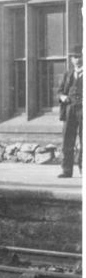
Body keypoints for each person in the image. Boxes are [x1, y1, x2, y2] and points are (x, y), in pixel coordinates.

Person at [58, 45, 83, 178]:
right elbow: (60, 91)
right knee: (67, 139)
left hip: (83, 110)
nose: (77, 60)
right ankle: (66, 170)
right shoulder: (68, 74)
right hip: (69, 110)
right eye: (74, 57)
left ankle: (83, 169)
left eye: (79, 56)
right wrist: (63, 97)